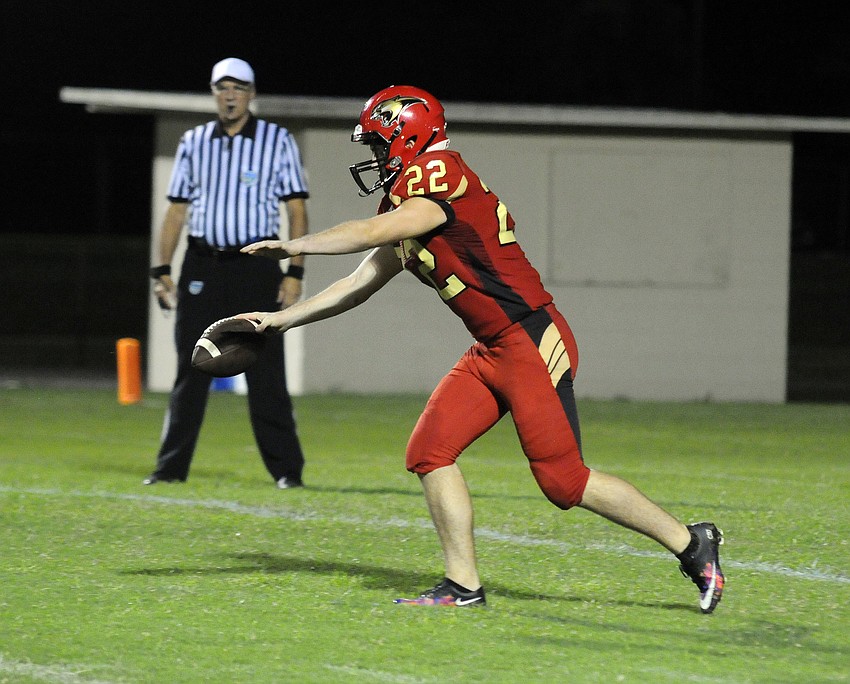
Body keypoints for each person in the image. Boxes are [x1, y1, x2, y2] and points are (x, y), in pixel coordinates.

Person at [237, 85, 725, 611]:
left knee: (564, 483)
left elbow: (371, 231)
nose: (376, 157)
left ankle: (692, 543)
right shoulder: (406, 199)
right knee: (429, 451)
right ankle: (462, 585)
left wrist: (296, 244)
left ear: (407, 136)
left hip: (530, 339)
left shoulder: (437, 174)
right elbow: (360, 281)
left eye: (380, 144)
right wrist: (281, 320)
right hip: (493, 348)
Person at [145, 58, 308, 490]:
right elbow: (177, 211)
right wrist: (162, 267)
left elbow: (296, 208)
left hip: (255, 266)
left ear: (252, 93)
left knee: (267, 372)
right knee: (190, 368)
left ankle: (287, 472)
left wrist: (294, 271)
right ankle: (169, 469)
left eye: (238, 87)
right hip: (203, 264)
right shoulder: (194, 141)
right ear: (214, 93)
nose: (230, 95)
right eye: (222, 87)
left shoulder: (277, 141)